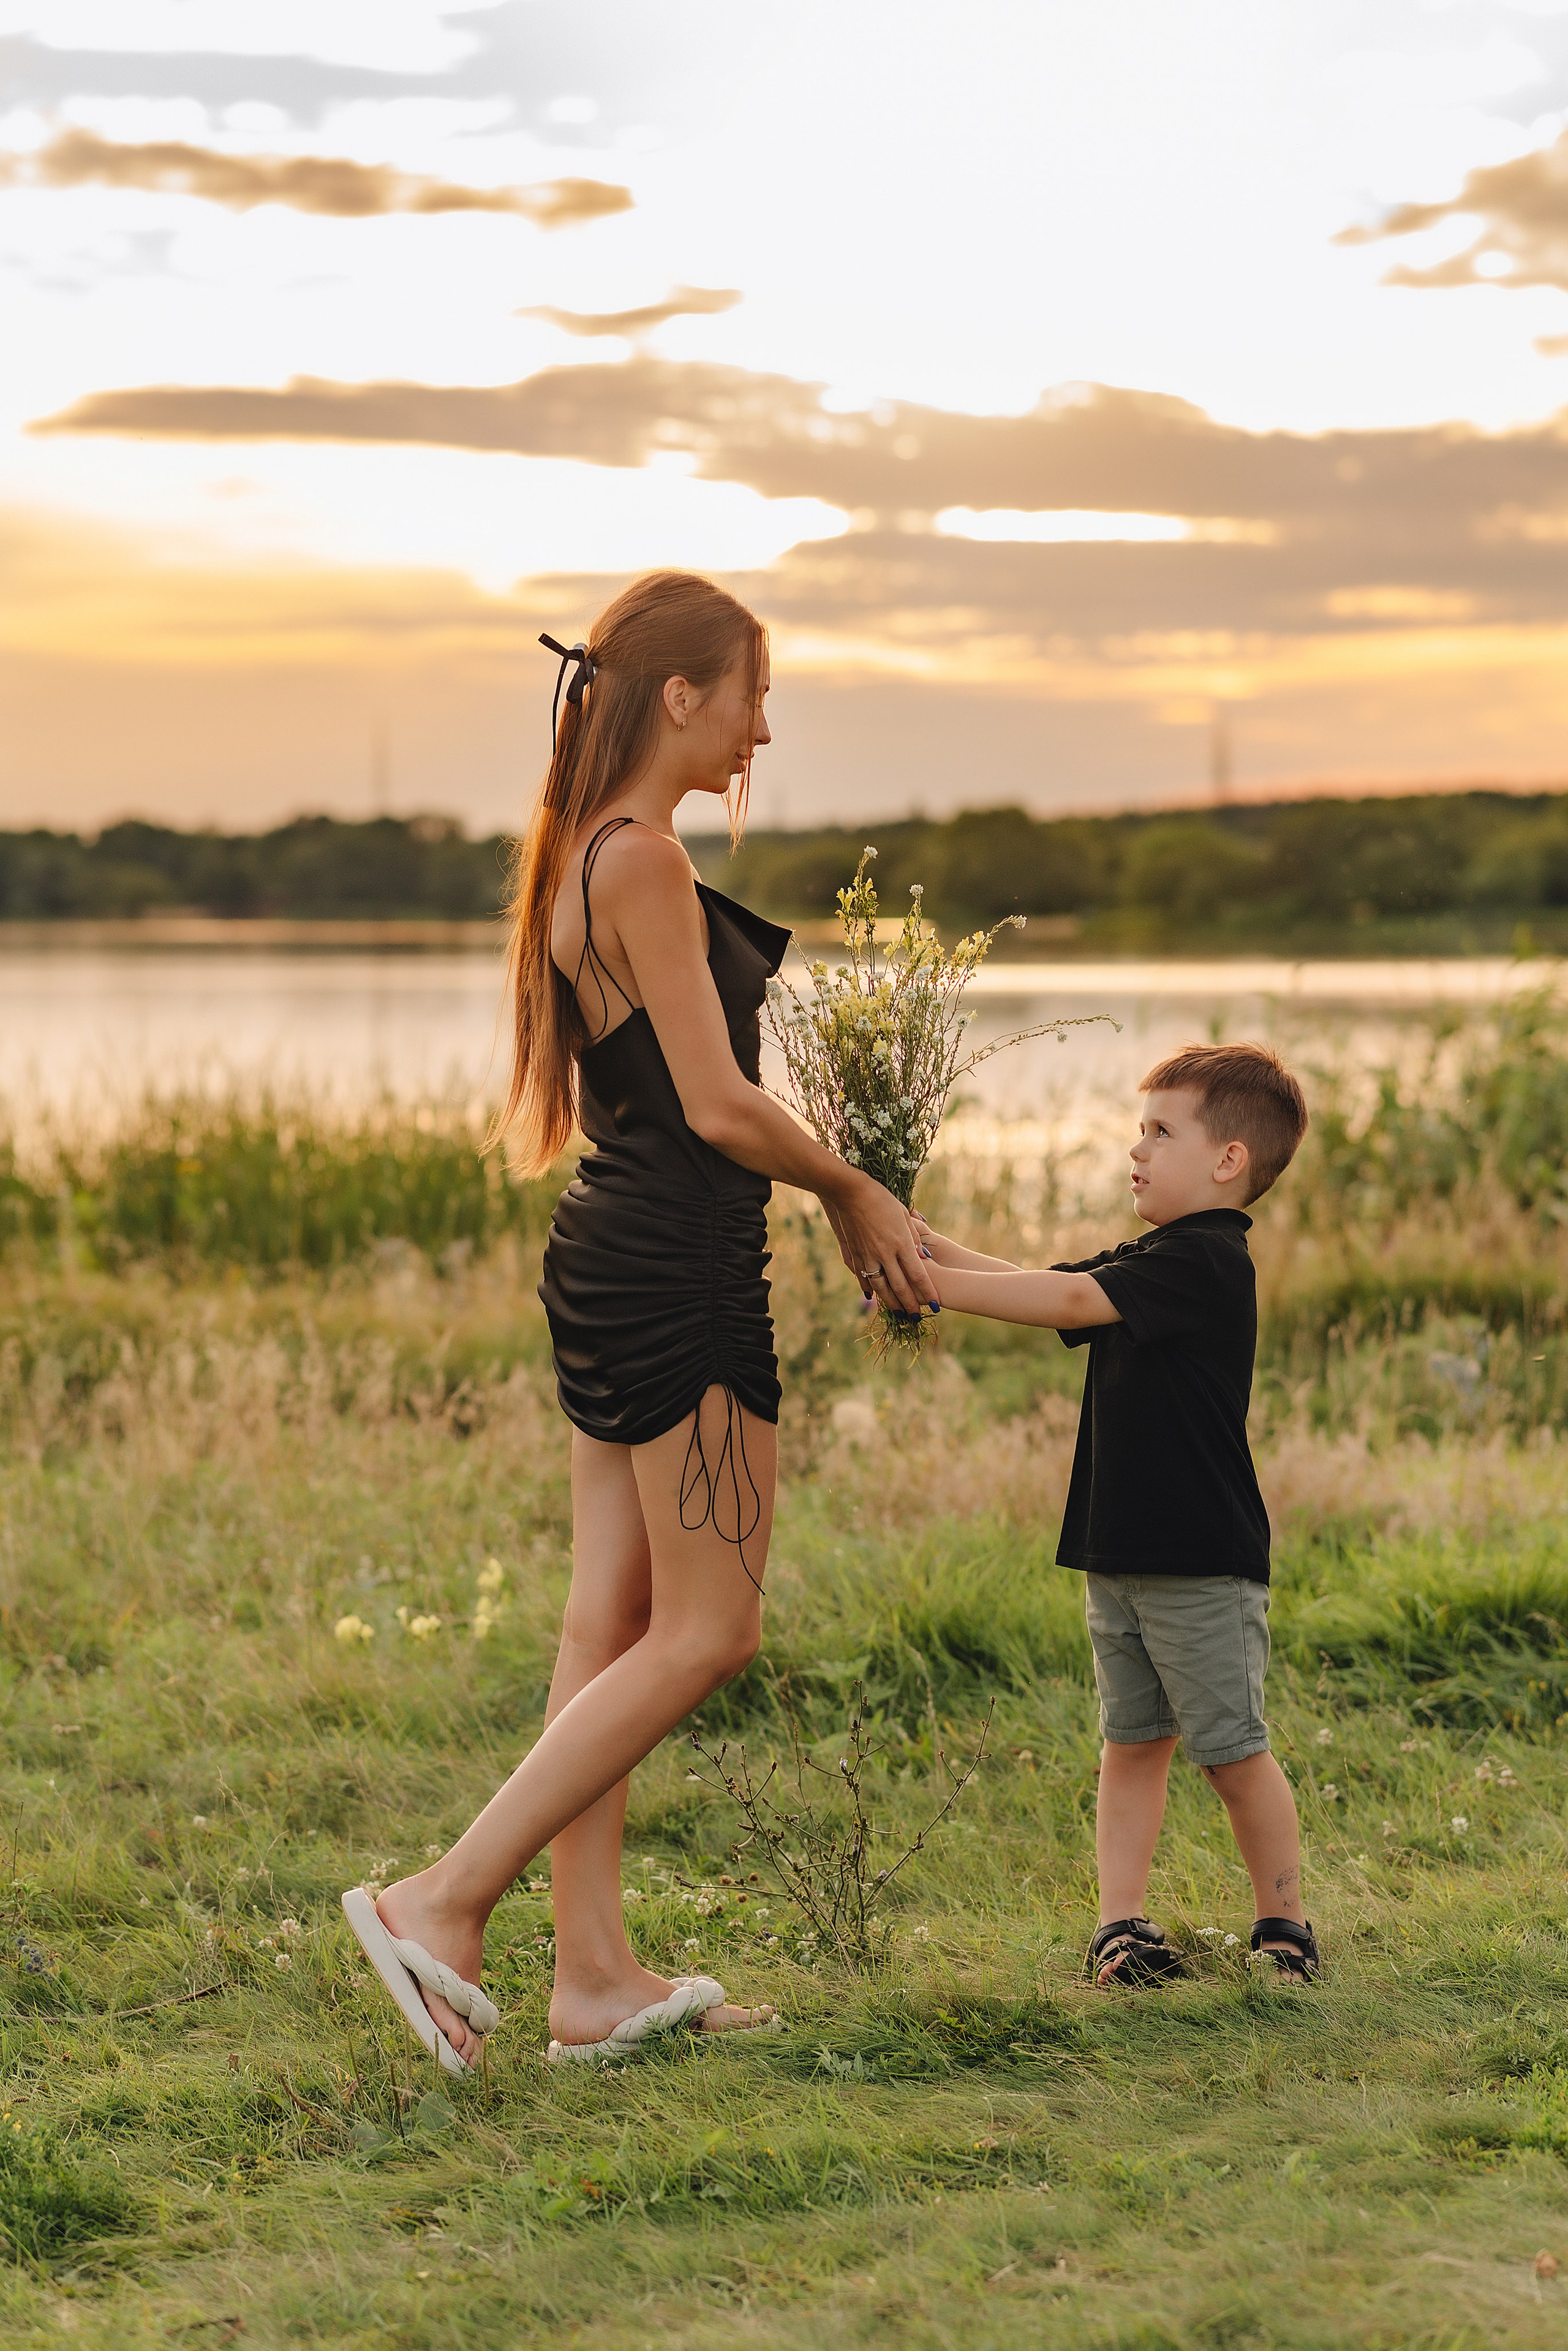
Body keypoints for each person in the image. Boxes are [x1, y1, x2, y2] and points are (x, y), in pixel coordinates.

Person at [343, 570, 935, 2072]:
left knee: (607, 1620)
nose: (760, 729)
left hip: (610, 1250)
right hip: (676, 1267)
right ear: (680, 694)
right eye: (750, 695)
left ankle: (593, 1976)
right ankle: (441, 1898)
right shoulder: (646, 860)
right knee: (709, 1628)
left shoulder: (583, 851)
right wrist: (852, 1185)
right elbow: (718, 1104)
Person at [914, 1042, 1318, 1988]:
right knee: (1132, 1743)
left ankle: (1285, 1928)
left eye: (1160, 1132)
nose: (1136, 1149)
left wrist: (924, 1281)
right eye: (1140, 1129)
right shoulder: (1155, 1256)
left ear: (1228, 1160)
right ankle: (1121, 1927)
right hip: (1123, 1552)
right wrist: (917, 1241)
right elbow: (1038, 1276)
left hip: (1199, 1560)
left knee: (1231, 1754)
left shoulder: (1208, 1261)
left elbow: (1063, 1296)